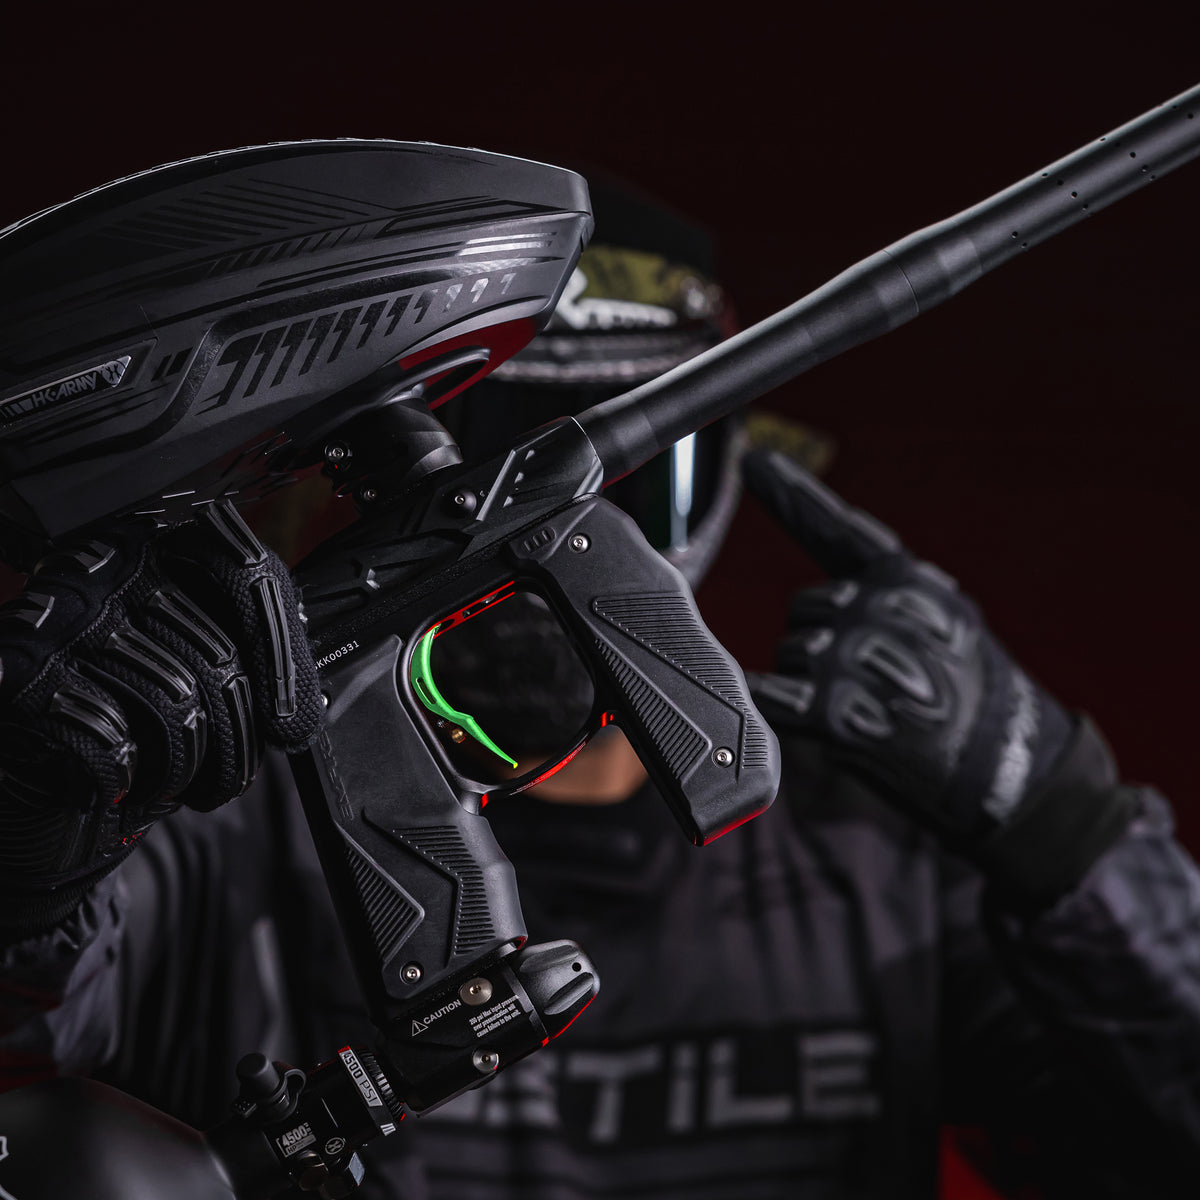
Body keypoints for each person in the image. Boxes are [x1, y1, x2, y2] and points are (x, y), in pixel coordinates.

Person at [2, 179, 1200, 1200]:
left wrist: (1069, 830)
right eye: (475, 451)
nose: (549, 530)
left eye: (632, 470)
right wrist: (34, 824)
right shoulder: (215, 819)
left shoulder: (882, 862)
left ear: (735, 469)